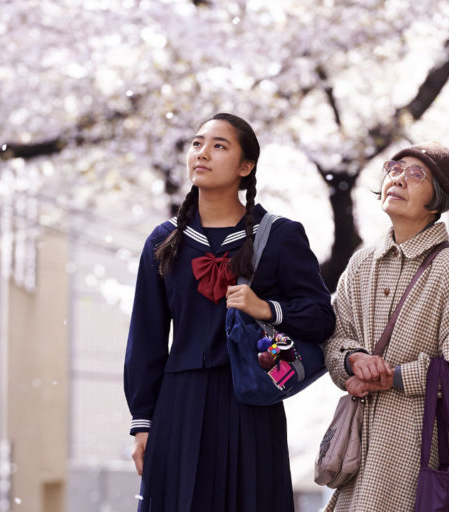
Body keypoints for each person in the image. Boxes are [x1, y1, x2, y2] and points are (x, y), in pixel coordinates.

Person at [123, 113, 335, 511]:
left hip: (251, 400)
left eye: (219, 146)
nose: (202, 153)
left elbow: (321, 316)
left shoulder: (280, 235)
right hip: (178, 405)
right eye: (197, 143)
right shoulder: (164, 240)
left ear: (245, 166)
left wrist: (266, 309)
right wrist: (143, 423)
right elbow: (146, 337)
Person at [323, 142, 449, 512]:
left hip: (423, 451)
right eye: (394, 168)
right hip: (365, 450)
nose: (399, 178)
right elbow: (334, 339)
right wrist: (353, 360)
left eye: (416, 174)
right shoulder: (361, 264)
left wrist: (394, 376)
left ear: (436, 201)